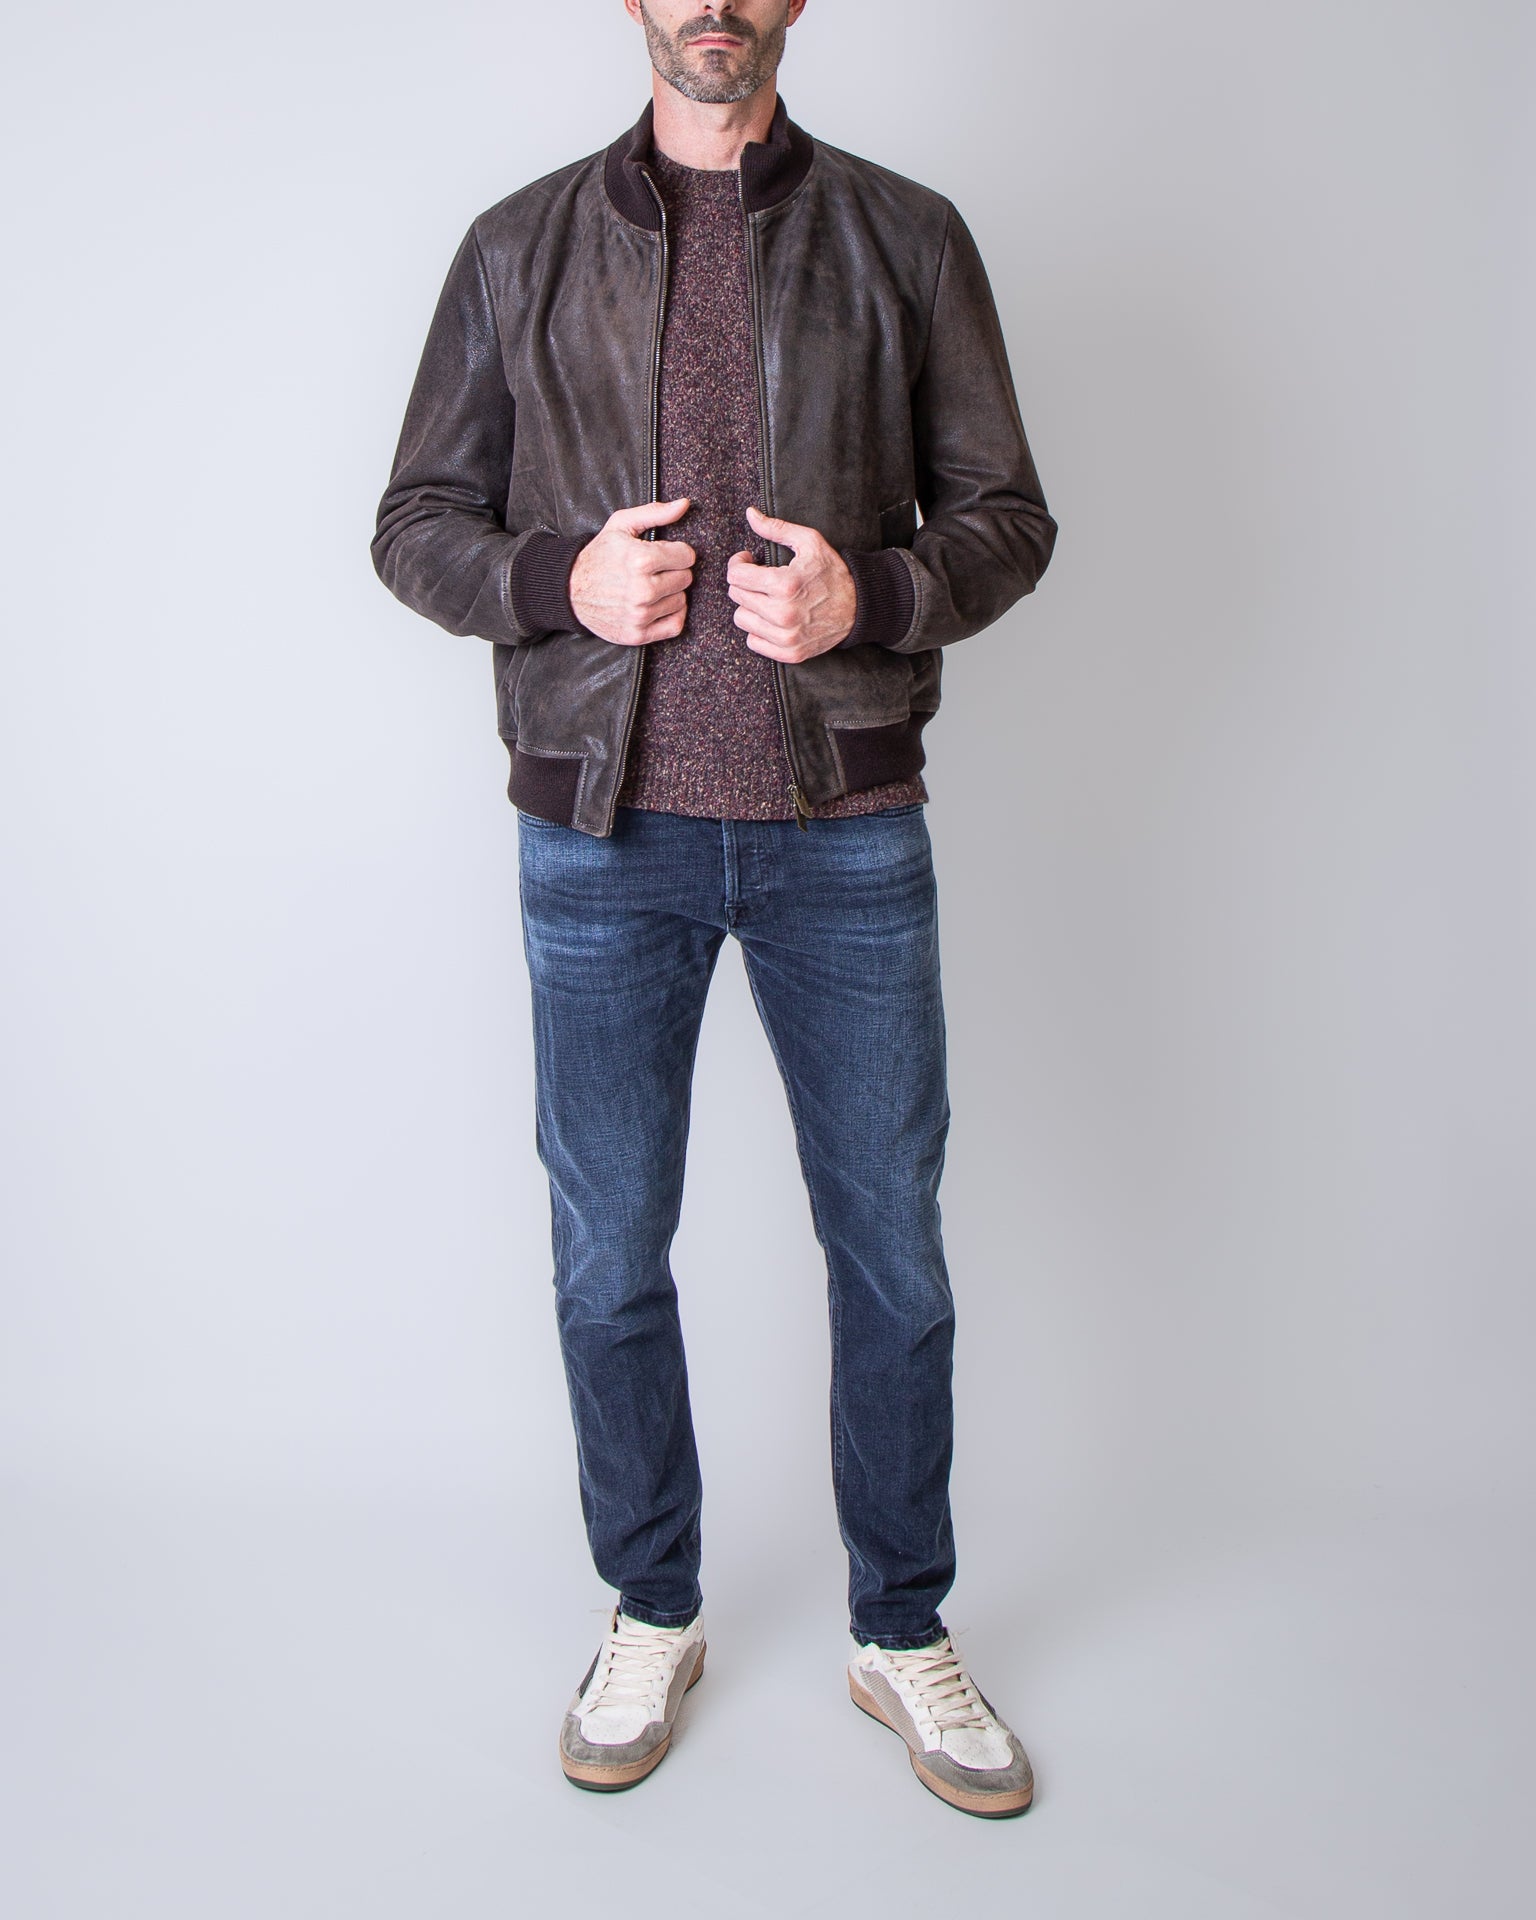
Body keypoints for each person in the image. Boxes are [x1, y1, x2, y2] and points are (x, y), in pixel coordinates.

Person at [372, 0, 1056, 1818]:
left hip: (847, 826)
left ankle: (902, 1629)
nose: (713, 6)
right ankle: (650, 1607)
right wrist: (556, 578)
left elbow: (1007, 516)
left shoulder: (906, 237)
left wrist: (874, 599)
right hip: (604, 836)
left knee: (892, 1252)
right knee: (608, 1251)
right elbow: (414, 520)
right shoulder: (518, 246)